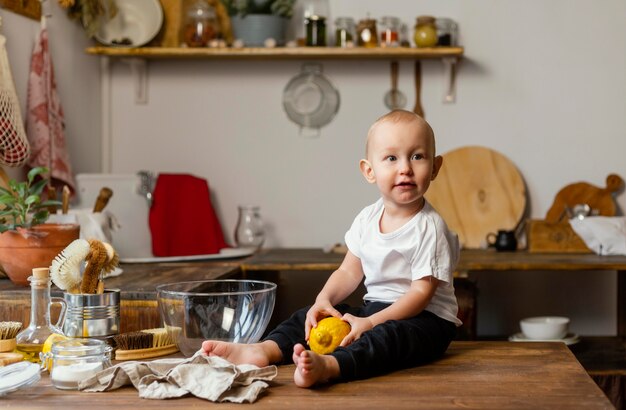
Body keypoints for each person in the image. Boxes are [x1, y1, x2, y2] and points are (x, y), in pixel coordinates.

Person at [202, 109, 461, 388]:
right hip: (376, 309)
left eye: (417, 156)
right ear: (369, 171)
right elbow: (349, 272)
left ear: (435, 167)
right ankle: (264, 350)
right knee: (313, 316)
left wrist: (372, 323)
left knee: (387, 338)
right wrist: (322, 300)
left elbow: (421, 294)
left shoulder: (429, 227)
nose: (405, 168)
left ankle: (331, 366)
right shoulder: (367, 219)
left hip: (426, 321)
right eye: (391, 158)